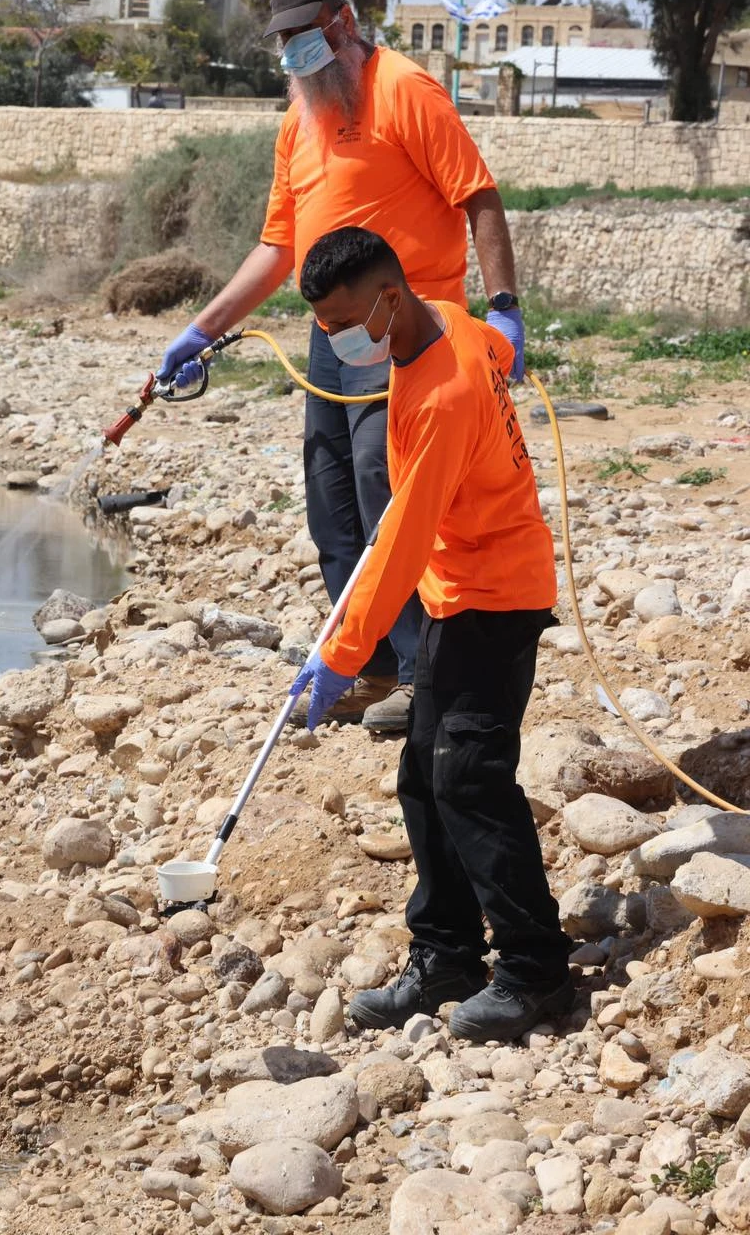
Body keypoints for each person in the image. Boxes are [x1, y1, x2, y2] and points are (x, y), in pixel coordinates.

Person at [155, 0, 524, 735]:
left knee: (384, 490)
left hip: (408, 331)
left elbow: (478, 196)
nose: (294, 52)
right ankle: (367, 663)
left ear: (344, 23)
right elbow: (278, 247)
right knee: (330, 497)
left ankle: (422, 673)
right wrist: (203, 328)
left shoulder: (407, 91)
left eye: (304, 35)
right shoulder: (300, 121)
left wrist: (505, 311)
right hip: (334, 339)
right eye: (284, 41)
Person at [290, 225, 573, 1043]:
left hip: (499, 594)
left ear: (389, 296)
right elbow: (489, 342)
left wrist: (341, 657)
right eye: (326, 328)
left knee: (473, 777)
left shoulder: (443, 395)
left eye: (347, 323)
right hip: (456, 593)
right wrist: (506, 343)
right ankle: (447, 951)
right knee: (424, 771)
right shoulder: (444, 317)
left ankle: (534, 968)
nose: (340, 342)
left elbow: (400, 536)